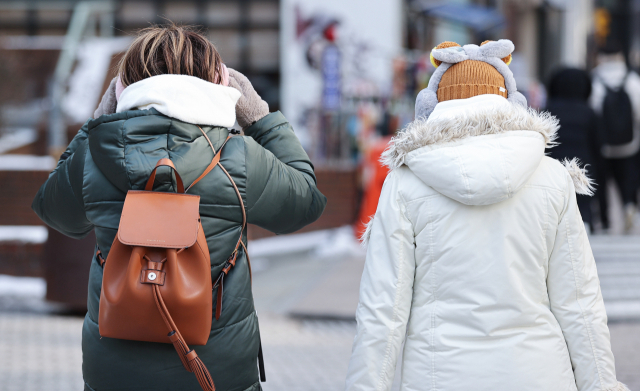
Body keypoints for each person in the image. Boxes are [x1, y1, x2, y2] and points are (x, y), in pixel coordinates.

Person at [32, 25, 326, 391]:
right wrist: (261, 119)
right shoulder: (240, 157)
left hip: (114, 376)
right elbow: (306, 203)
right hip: (216, 374)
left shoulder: (96, 153)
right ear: (219, 82)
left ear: (125, 87)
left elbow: (54, 211)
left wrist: (96, 123)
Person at [346, 40, 627, 391]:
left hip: (440, 377)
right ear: (510, 101)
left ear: (433, 106)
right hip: (539, 376)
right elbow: (580, 303)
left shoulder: (405, 184)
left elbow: (382, 311)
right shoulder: (552, 177)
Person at [591, 42, 640, 233]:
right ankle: (629, 206)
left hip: (602, 145)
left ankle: (604, 220)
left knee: (601, 182)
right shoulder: (631, 79)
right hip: (630, 143)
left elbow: (592, 112)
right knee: (627, 179)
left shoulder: (595, 79)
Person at [545, 68, 601, 231]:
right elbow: (598, 149)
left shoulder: (547, 111)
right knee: (582, 210)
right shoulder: (590, 113)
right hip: (584, 169)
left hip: (553, 169)